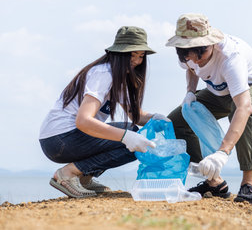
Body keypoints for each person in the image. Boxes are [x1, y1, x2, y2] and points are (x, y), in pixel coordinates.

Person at [39, 26, 170, 198]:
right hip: (59, 139)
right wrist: (126, 137)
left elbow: (136, 116)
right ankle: (68, 173)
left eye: (140, 56)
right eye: (132, 55)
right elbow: (83, 121)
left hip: (66, 138)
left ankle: (84, 177)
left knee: (138, 136)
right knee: (132, 137)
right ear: (118, 53)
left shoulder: (120, 79)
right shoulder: (104, 73)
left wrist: (158, 119)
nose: (137, 61)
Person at [166, 13, 252, 204]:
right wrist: (190, 92)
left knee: (238, 111)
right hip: (220, 92)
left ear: (210, 44)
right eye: (187, 53)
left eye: (200, 53)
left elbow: (244, 106)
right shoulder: (186, 52)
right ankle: (214, 182)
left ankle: (248, 184)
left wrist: (222, 153)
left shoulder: (230, 58)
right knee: (176, 120)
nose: (194, 59)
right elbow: (191, 70)